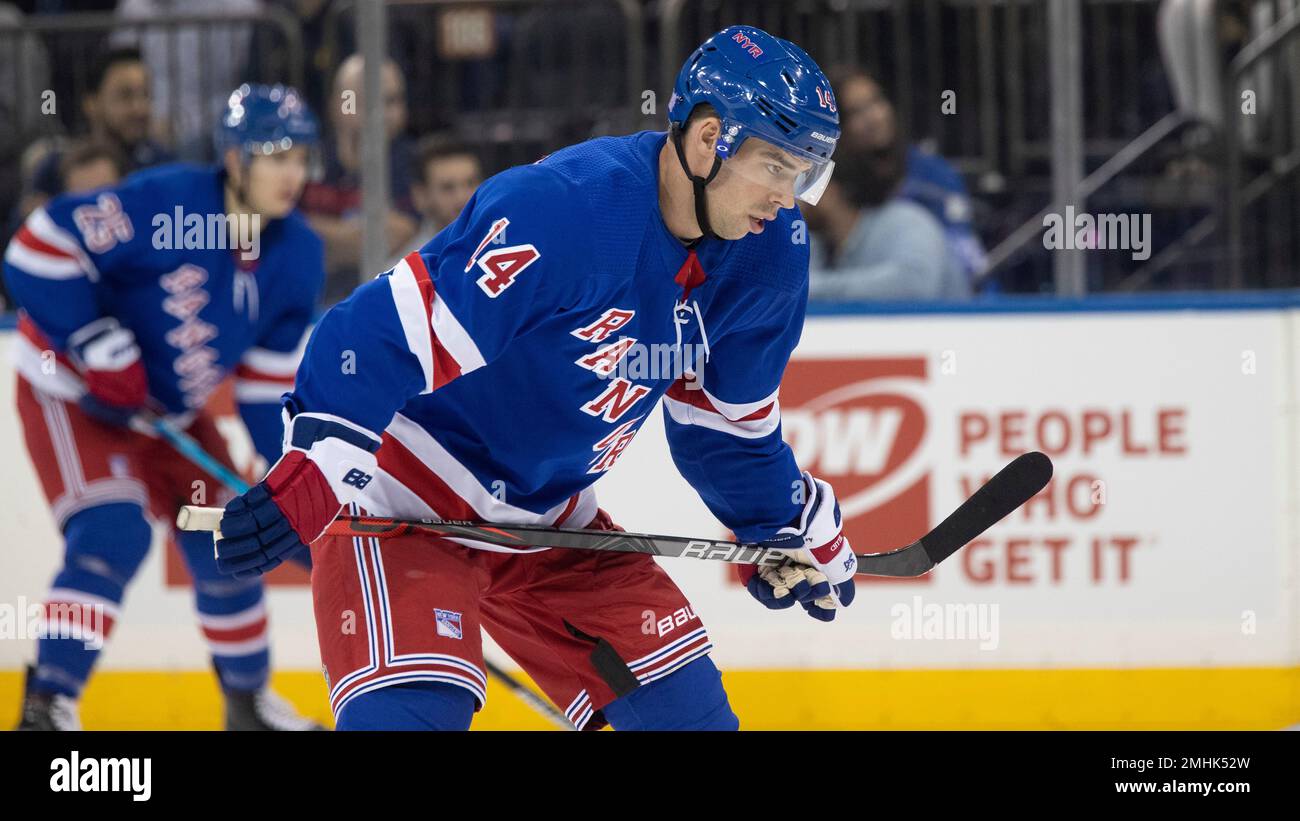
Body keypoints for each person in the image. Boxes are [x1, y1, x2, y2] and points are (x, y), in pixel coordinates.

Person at [211, 25, 859, 732]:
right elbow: (376, 334)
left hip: (551, 522)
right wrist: (320, 461)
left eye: (801, 174)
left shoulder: (770, 256)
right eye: (774, 167)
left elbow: (724, 426)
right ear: (709, 140)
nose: (785, 198)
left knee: (691, 718)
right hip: (404, 501)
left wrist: (777, 518)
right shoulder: (567, 210)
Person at [5, 84, 325, 731]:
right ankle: (49, 704)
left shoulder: (298, 255)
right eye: (274, 155)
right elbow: (33, 249)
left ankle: (247, 705)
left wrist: (295, 486)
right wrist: (97, 339)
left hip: (170, 416)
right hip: (72, 393)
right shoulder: (168, 201)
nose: (292, 173)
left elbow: (266, 391)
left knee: (230, 535)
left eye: (300, 157)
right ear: (234, 159)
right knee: (112, 530)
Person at [830, 67, 987, 285]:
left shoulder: (933, 173)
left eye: (876, 102)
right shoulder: (833, 183)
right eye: (856, 112)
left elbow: (966, 261)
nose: (874, 117)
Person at [300, 54, 418, 304]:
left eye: (392, 100)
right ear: (337, 104)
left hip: (383, 302)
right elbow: (287, 232)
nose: (380, 112)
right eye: (363, 99)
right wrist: (361, 235)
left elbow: (398, 234)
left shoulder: (410, 162)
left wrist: (322, 238)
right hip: (308, 299)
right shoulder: (301, 158)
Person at [803, 144, 970, 301]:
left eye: (804, 183)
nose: (792, 197)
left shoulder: (907, 221)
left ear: (830, 189)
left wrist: (810, 288)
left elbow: (913, 285)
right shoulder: (821, 243)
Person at [25, 47, 173, 212]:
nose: (139, 108)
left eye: (145, 94)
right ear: (91, 104)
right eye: (125, 96)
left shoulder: (163, 167)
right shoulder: (55, 167)